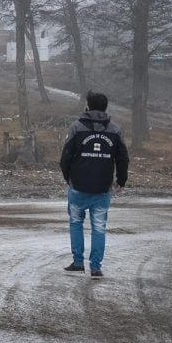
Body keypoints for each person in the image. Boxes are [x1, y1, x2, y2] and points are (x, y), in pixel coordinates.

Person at [60, 91, 129, 279]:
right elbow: (122, 157)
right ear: (106, 107)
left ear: (88, 106)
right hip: (103, 188)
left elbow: (66, 157)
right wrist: (121, 180)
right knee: (99, 227)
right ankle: (96, 268)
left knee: (76, 223)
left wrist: (69, 178)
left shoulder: (77, 127)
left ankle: (78, 263)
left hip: (78, 187)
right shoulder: (114, 130)